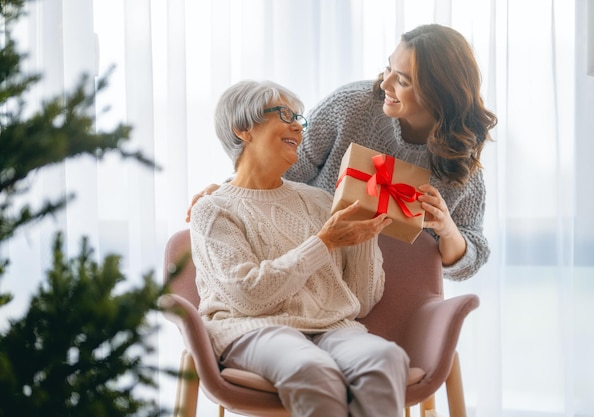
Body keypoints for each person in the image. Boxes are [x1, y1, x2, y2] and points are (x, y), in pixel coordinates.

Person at [187, 23, 497, 281]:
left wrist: (447, 229)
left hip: (393, 290)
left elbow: (469, 262)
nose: (384, 83)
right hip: (313, 265)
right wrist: (231, 191)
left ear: (438, 94)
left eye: (401, 80)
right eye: (389, 67)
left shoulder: (462, 164)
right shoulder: (353, 106)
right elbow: (283, 169)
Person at [189, 80, 409, 417]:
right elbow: (249, 296)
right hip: (254, 329)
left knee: (386, 358)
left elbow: (360, 302)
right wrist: (325, 242)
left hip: (333, 329)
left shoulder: (319, 202)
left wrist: (367, 233)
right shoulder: (213, 209)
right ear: (243, 129)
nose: (297, 126)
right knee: (311, 368)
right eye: (284, 114)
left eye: (299, 118)